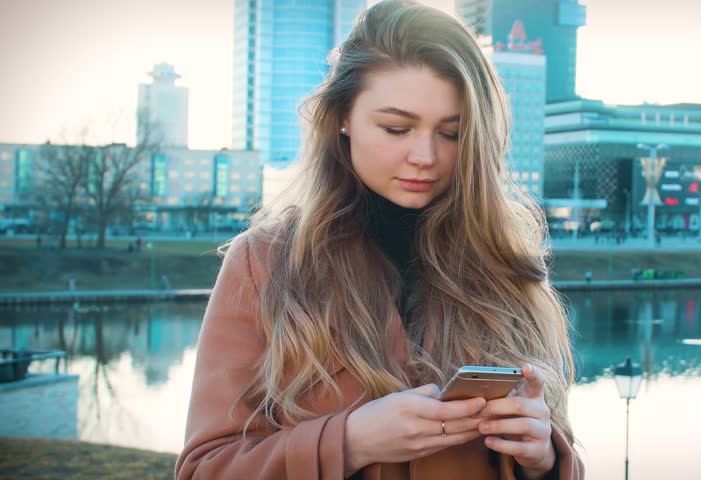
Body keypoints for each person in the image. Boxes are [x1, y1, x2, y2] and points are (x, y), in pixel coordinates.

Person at [176, 2, 583, 479]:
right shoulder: (264, 261)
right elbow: (204, 470)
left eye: (452, 133)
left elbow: (559, 455)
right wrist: (349, 442)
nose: (425, 156)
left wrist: (544, 459)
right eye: (396, 128)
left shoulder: (505, 265)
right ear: (342, 117)